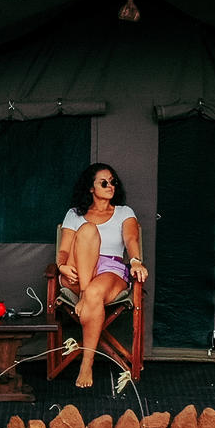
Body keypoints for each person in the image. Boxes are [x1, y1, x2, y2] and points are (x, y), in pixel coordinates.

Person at [57, 162, 145, 388]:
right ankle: (86, 293)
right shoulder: (75, 214)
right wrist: (61, 266)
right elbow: (65, 250)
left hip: (110, 271)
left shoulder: (124, 212)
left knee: (95, 292)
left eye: (113, 181)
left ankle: (86, 363)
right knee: (87, 229)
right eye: (103, 182)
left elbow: (131, 240)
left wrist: (135, 261)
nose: (110, 185)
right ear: (90, 187)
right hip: (80, 270)